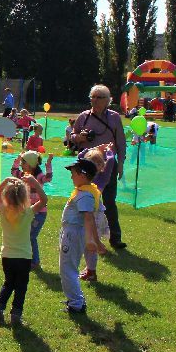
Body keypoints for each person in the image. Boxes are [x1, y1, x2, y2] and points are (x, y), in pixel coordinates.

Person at [68, 85, 127, 249]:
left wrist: (121, 163)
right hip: (87, 166)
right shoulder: (83, 117)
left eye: (99, 97)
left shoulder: (114, 117)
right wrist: (79, 137)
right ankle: (85, 236)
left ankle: (115, 238)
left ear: (108, 100)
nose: (94, 100)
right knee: (85, 200)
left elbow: (121, 142)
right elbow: (72, 137)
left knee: (109, 201)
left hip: (108, 165)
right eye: (92, 97)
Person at [0, 176, 45, 325]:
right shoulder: (28, 212)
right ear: (24, 197)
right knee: (21, 286)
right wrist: (35, 183)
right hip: (24, 257)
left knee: (8, 283)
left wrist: (6, 180)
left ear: (6, 196)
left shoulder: (3, 210)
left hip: (7, 256)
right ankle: (16, 315)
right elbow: (44, 200)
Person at [59, 158, 103, 314]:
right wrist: (97, 241)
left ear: (83, 175)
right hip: (73, 232)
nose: (71, 176)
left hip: (73, 233)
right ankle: (76, 299)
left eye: (73, 173)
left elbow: (89, 217)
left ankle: (76, 303)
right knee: (69, 267)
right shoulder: (88, 191)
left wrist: (91, 240)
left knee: (67, 269)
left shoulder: (85, 195)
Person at [11, 151, 53, 269]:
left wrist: (49, 164)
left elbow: (48, 178)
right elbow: (13, 171)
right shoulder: (23, 175)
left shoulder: (39, 177)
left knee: (31, 236)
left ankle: (35, 261)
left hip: (39, 213)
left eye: (23, 162)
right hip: (27, 211)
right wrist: (18, 159)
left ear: (31, 164)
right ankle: (25, 257)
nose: (21, 165)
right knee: (25, 235)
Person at [78, 148, 111, 282]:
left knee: (90, 244)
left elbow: (110, 163)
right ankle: (89, 268)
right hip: (86, 213)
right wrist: (86, 150)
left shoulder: (102, 178)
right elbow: (79, 159)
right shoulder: (84, 176)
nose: (96, 165)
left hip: (94, 215)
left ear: (102, 165)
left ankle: (91, 272)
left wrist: (109, 152)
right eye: (93, 162)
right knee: (87, 243)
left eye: (99, 163)